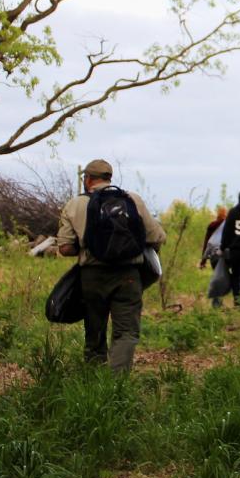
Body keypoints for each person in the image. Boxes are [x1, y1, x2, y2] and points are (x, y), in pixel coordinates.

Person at [56, 158, 166, 372]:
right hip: (128, 275)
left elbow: (65, 248)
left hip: (92, 277)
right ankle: (117, 382)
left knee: (94, 330)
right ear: (109, 178)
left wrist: (89, 247)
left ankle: (94, 378)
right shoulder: (131, 200)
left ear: (88, 180)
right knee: (126, 332)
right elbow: (157, 236)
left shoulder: (76, 204)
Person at [200, 206, 228, 308]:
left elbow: (207, 243)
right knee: (223, 277)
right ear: (226, 215)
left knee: (218, 276)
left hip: (213, 257)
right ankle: (217, 303)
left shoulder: (212, 226)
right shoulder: (228, 225)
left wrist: (203, 260)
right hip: (225, 255)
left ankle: (217, 302)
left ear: (217, 215)